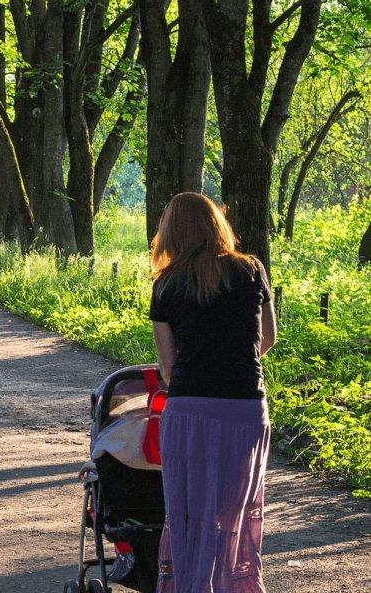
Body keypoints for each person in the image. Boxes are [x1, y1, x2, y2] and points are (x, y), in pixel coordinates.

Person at [148, 192, 277, 593]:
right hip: (245, 408)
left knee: (189, 514)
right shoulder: (251, 270)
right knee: (235, 513)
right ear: (217, 223)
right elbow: (267, 338)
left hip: (189, 410)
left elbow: (168, 368)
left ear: (170, 232)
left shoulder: (166, 284)